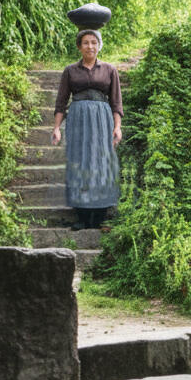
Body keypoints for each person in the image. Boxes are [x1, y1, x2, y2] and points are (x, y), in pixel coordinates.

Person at [51, 29, 122, 230]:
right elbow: (61, 101)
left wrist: (117, 127)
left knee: (101, 163)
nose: (90, 46)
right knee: (79, 162)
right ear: (79, 46)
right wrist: (57, 127)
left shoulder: (109, 70)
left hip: (102, 120)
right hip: (78, 119)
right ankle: (81, 216)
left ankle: (99, 217)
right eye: (85, 43)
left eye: (93, 42)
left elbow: (116, 102)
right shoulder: (70, 71)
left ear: (99, 45)